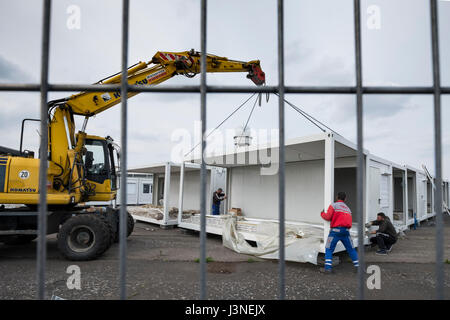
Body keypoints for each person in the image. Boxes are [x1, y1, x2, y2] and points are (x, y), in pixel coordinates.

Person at [320, 191, 359, 273]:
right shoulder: (348, 209)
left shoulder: (334, 205)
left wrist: (322, 213)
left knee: (329, 249)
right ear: (345, 199)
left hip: (335, 231)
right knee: (351, 249)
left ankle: (327, 268)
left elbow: (328, 217)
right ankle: (358, 267)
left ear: (337, 197)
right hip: (346, 232)